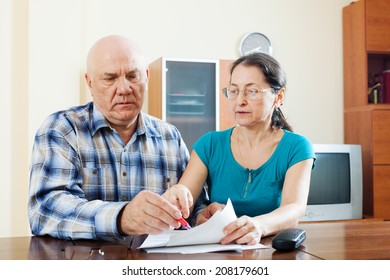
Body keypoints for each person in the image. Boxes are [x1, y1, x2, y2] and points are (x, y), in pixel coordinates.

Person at [28, 35, 206, 241]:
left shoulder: (170, 136)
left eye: (133, 76)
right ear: (90, 82)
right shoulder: (63, 129)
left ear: (146, 77)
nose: (124, 89)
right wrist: (121, 217)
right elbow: (45, 210)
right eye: (110, 78)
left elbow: (192, 206)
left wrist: (202, 216)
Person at [163, 52, 315, 245]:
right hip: (220, 247)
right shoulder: (209, 144)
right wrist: (177, 195)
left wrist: (258, 225)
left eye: (252, 91)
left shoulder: (297, 147)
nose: (240, 101)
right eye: (234, 91)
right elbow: (186, 196)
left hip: (269, 251)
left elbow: (293, 208)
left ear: (279, 97)